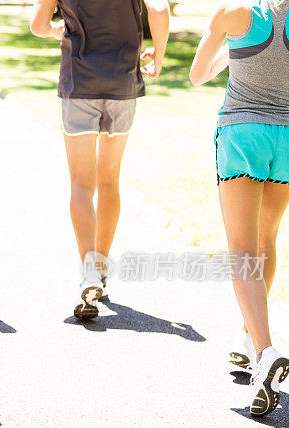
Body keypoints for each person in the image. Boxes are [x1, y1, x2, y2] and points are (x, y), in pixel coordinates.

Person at [191, 0, 289, 417]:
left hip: (242, 135)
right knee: (266, 238)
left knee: (241, 249)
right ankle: (247, 339)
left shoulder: (232, 13)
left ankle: (265, 351)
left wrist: (231, 48)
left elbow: (197, 75)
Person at [30, 0, 170, 319]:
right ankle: (101, 268)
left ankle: (89, 273)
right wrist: (157, 55)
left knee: (81, 183)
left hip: (79, 82)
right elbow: (159, 10)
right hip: (123, 81)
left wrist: (58, 29)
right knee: (110, 180)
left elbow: (37, 25)